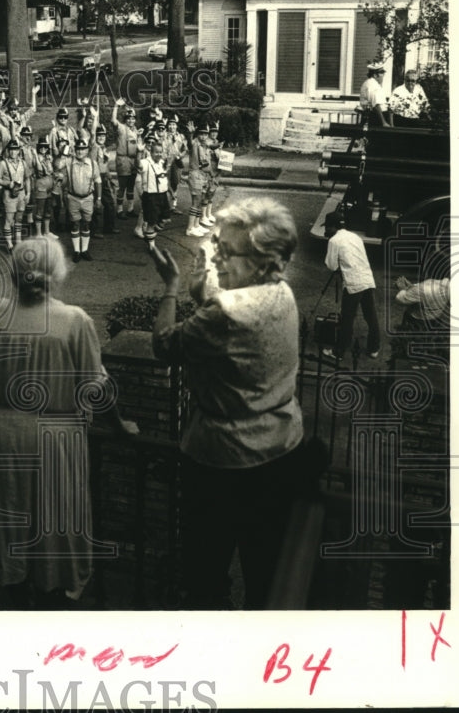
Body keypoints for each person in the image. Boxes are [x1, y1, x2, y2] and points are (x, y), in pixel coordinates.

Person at [150, 197, 315, 609]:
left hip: (222, 464)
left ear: (262, 260)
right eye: (216, 247)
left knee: (204, 574)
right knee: (265, 573)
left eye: (226, 250)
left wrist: (171, 289)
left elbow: (165, 345)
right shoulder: (282, 293)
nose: (217, 258)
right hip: (281, 452)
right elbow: (234, 328)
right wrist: (201, 296)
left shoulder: (224, 311)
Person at [0, 238, 136, 609]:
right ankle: (51, 593)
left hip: (1, 432)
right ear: (57, 272)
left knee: (10, 511)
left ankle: (13, 589)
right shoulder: (73, 320)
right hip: (53, 435)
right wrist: (118, 426)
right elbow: (95, 389)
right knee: (52, 515)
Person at [323, 213, 381, 362]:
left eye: (327, 227)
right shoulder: (355, 237)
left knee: (347, 317)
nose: (326, 231)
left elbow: (331, 265)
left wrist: (330, 244)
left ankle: (339, 352)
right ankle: (374, 348)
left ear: (333, 227)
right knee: (370, 315)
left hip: (353, 283)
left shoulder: (334, 241)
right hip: (367, 279)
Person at [65, 138, 101, 262]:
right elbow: (57, 167)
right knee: (75, 224)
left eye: (83, 149)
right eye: (78, 149)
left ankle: (84, 250)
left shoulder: (92, 163)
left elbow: (98, 181)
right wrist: (64, 152)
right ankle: (77, 251)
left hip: (88, 198)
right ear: (75, 150)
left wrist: (99, 198)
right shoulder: (69, 162)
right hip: (73, 197)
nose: (80, 152)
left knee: (86, 223)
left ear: (87, 150)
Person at [0, 138, 30, 252]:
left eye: (15, 150)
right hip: (9, 193)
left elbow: (27, 178)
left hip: (21, 193)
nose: (13, 152)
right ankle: (9, 244)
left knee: (19, 218)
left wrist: (28, 193)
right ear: (8, 151)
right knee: (9, 219)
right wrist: (7, 184)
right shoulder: (3, 164)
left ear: (19, 150)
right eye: (11, 150)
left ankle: (18, 241)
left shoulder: (23, 163)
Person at [110, 100, 141, 224]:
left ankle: (130, 208)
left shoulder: (136, 131)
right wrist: (116, 106)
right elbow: (113, 121)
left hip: (133, 160)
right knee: (122, 186)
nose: (131, 121)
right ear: (125, 120)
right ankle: (119, 210)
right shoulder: (121, 128)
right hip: (123, 159)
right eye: (128, 119)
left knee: (131, 186)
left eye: (133, 119)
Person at [137, 138, 170, 252]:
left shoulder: (162, 162)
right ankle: (151, 246)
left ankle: (149, 235)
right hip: (151, 196)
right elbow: (138, 165)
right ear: (151, 152)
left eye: (160, 152)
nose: (159, 154)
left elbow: (164, 178)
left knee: (165, 219)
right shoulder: (145, 162)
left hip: (162, 195)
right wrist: (138, 152)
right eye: (156, 152)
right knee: (151, 222)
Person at [185, 125, 213, 238]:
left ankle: (196, 225)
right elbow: (189, 144)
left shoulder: (205, 146)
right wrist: (190, 134)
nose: (203, 136)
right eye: (201, 134)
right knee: (195, 202)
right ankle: (190, 228)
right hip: (195, 175)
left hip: (203, 175)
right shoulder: (195, 143)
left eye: (205, 134)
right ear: (197, 135)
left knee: (201, 200)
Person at [90, 123, 117, 237]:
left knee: (110, 203)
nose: (101, 137)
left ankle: (109, 228)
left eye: (103, 135)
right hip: (96, 178)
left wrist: (110, 178)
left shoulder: (103, 148)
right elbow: (92, 165)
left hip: (104, 177)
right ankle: (94, 230)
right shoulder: (94, 148)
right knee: (97, 204)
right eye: (99, 135)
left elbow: (105, 165)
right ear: (96, 137)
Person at [29, 135, 56, 236]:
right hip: (41, 185)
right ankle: (39, 233)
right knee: (40, 209)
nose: (43, 149)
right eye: (41, 147)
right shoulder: (36, 158)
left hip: (50, 185)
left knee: (48, 209)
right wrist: (35, 156)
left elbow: (51, 171)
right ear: (38, 148)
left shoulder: (48, 158)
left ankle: (47, 232)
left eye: (45, 147)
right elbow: (40, 171)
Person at [162, 116, 188, 217]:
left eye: (174, 124)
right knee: (165, 183)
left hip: (177, 163)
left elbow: (185, 149)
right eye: (170, 124)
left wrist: (181, 155)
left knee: (175, 183)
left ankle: (173, 206)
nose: (172, 127)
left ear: (176, 126)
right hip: (166, 162)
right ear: (168, 126)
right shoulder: (164, 135)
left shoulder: (181, 136)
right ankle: (166, 205)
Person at [359, 62, 392, 127]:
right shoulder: (372, 85)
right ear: (375, 75)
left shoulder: (373, 83)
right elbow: (376, 105)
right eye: (381, 72)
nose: (383, 75)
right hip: (375, 117)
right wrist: (383, 122)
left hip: (377, 116)